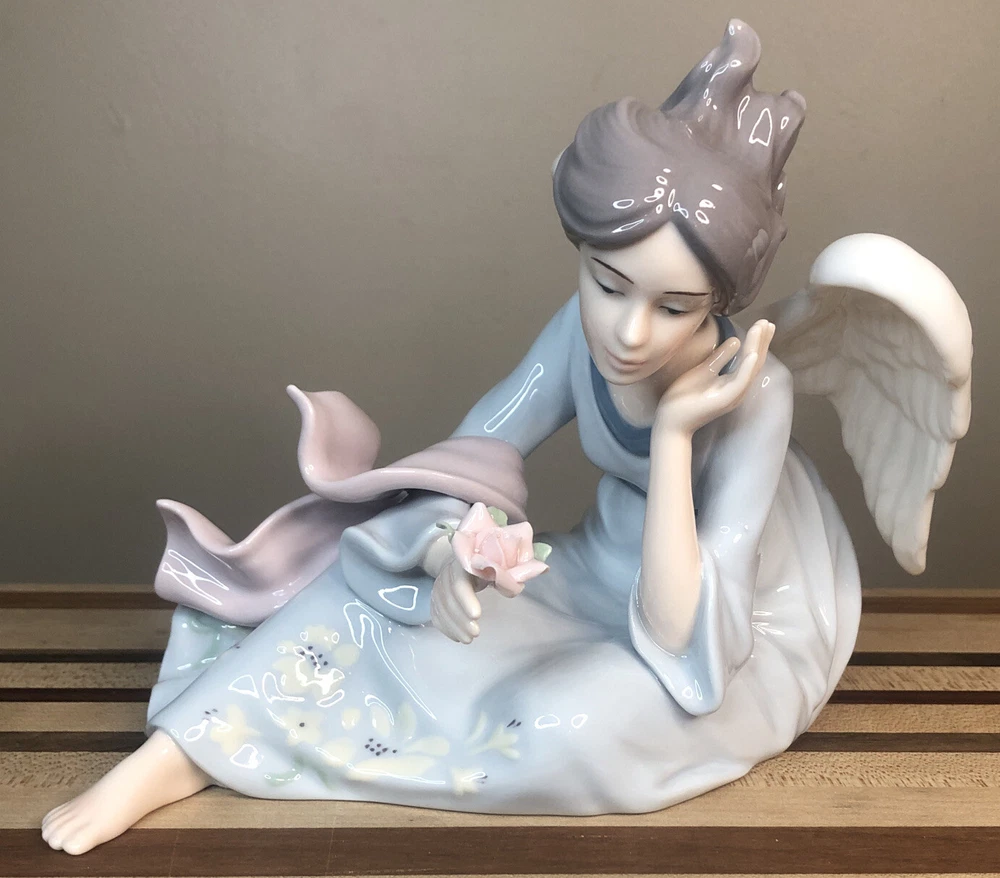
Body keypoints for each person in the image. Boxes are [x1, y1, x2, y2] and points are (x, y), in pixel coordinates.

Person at [42, 20, 863, 855]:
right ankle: (181, 752)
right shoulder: (580, 337)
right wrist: (446, 555)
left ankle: (323, 751)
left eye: (675, 307)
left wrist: (678, 437)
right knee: (360, 592)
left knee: (561, 727)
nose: (629, 333)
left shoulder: (755, 394)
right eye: (608, 284)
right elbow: (476, 457)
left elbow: (687, 633)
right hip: (600, 567)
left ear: (719, 300)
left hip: (722, 623)